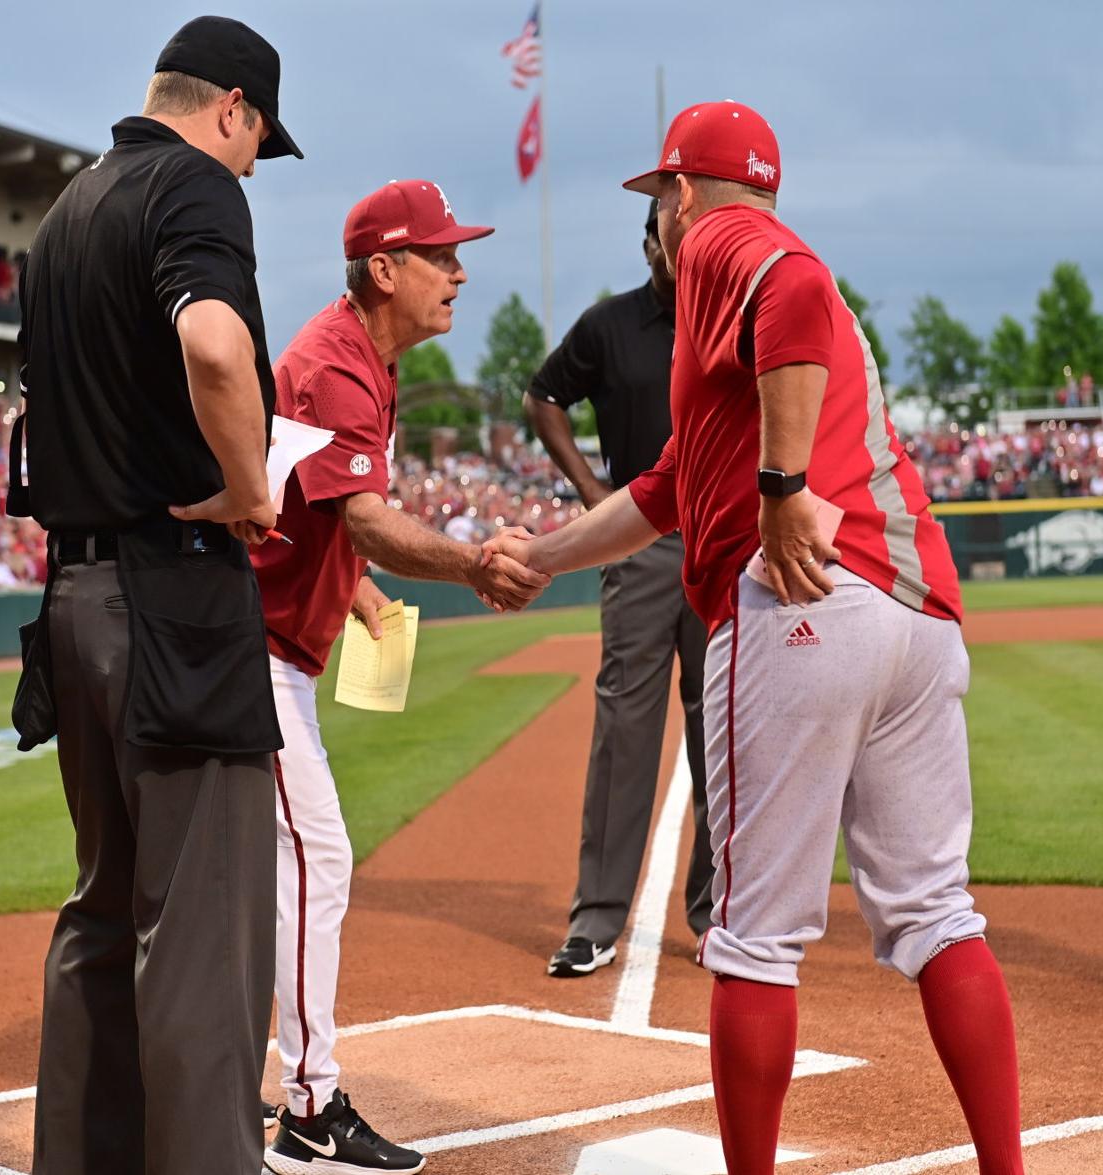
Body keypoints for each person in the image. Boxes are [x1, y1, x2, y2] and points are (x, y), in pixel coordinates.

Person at [486, 101, 1024, 1175]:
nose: (662, 223)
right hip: (911, 610)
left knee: (751, 938)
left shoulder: (729, 246)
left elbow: (798, 289)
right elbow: (669, 486)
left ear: (684, 194)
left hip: (804, 608)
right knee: (934, 913)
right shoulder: (724, 321)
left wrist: (781, 489)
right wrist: (542, 554)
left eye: (660, 201)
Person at [12, 15, 304, 1174]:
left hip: (73, 596)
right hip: (170, 599)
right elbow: (219, 351)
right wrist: (246, 486)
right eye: (255, 141)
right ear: (230, 106)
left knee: (100, 910)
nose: (249, 166)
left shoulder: (63, 210)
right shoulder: (188, 186)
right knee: (199, 936)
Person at [254, 179, 545, 1175]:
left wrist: (357, 586)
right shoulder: (337, 362)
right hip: (242, 650)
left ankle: (233, 1076)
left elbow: (314, 512)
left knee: (271, 869)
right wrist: (469, 562)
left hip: (258, 639)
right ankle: (306, 1107)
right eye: (440, 254)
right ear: (385, 269)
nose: (459, 270)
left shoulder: (355, 353)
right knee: (316, 858)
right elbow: (364, 514)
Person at [524, 198, 713, 979]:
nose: (679, 248)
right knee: (623, 728)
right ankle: (597, 918)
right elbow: (542, 396)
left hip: (718, 544)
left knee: (724, 733)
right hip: (637, 542)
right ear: (648, 247)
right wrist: (591, 492)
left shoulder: (728, 319)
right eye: (668, 236)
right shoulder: (608, 326)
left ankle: (721, 914)